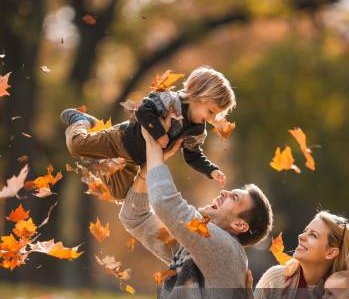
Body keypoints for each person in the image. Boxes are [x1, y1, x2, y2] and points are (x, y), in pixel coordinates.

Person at [63, 119, 273, 299]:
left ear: (239, 226)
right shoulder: (189, 249)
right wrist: (149, 167)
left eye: (234, 198)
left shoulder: (226, 249)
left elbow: (166, 204)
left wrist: (153, 148)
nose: (223, 192)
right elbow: (134, 217)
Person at [60, 66, 235, 200]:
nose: (212, 119)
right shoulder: (169, 101)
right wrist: (160, 134)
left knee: (119, 194)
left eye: (217, 115)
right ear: (197, 96)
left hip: (134, 161)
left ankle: (101, 157)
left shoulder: (197, 131)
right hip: (122, 139)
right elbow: (143, 110)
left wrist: (211, 171)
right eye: (210, 112)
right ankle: (81, 121)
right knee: (76, 145)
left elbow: (193, 156)